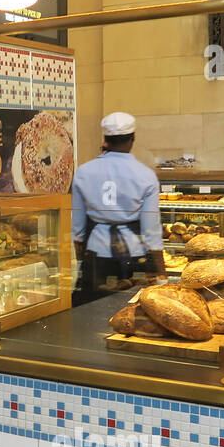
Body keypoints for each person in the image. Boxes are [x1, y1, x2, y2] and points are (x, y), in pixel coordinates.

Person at [70, 112, 165, 304]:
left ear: (106, 140)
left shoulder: (83, 172)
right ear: (132, 139)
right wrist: (161, 272)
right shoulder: (145, 175)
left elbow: (77, 227)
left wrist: (81, 260)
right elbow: (151, 230)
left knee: (92, 310)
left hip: (96, 255)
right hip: (133, 255)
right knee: (131, 307)